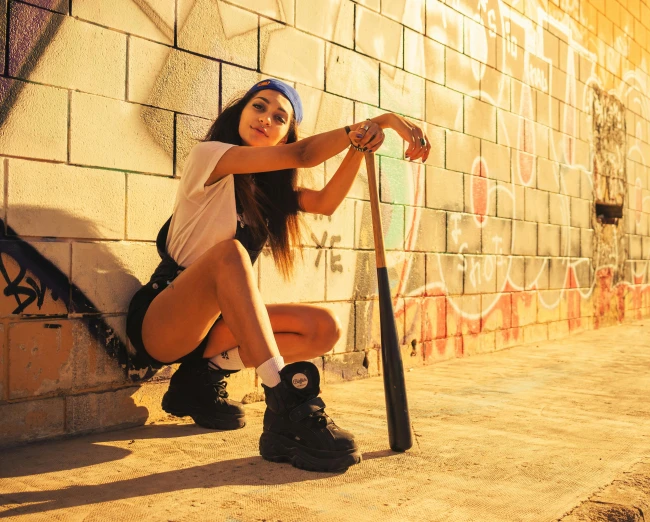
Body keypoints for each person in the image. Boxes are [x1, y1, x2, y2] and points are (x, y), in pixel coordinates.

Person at [125, 79, 430, 472]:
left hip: (212, 328)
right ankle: (285, 402)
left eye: (279, 117)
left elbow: (325, 203)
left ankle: (201, 378)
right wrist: (382, 122)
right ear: (241, 112)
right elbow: (303, 154)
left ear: (285, 132)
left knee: (323, 328)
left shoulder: (266, 196)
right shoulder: (209, 157)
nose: (266, 119)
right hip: (163, 320)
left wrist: (359, 146)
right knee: (229, 255)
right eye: (259, 107)